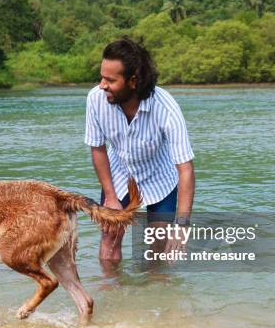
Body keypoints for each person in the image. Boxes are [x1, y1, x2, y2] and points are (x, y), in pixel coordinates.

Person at [84, 38, 195, 274]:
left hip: (159, 179)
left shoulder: (166, 108)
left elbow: (185, 169)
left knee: (159, 246)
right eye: (102, 77)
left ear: (133, 80)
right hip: (119, 175)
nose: (102, 85)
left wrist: (182, 225)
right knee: (109, 237)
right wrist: (111, 196)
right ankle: (112, 294)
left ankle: (152, 299)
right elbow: (98, 148)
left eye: (110, 80)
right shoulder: (95, 99)